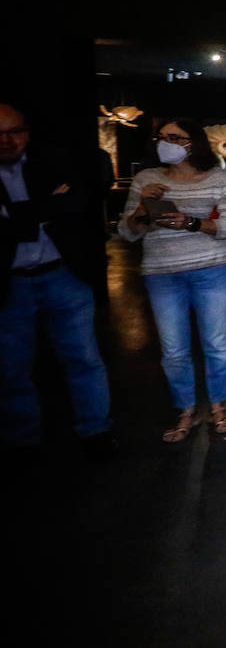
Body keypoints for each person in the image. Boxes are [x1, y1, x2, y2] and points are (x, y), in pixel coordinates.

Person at [0, 102, 117, 459]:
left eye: (15, 131)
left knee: (84, 357)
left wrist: (18, 215)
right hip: (9, 282)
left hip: (62, 274)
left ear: (27, 132)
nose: (7, 141)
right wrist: (47, 206)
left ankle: (96, 431)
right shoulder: (53, 173)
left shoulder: (53, 162)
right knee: (11, 366)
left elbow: (78, 204)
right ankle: (24, 440)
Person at [119, 117, 226, 441]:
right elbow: (127, 232)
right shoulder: (147, 178)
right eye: (162, 137)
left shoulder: (217, 178)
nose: (166, 142)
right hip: (162, 273)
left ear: (193, 143)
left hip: (210, 269)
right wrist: (144, 205)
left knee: (216, 344)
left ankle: (218, 406)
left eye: (175, 137)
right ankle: (186, 408)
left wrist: (191, 222)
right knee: (173, 349)